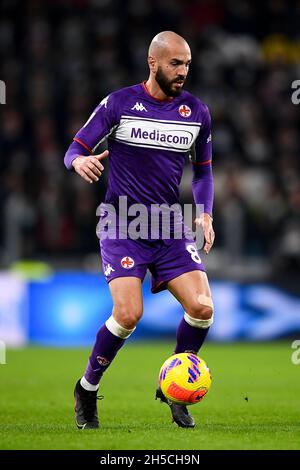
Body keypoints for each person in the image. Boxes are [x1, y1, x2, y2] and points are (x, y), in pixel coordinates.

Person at [64, 31, 215, 429]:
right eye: (175, 64)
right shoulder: (118, 104)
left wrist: (205, 214)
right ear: (153, 63)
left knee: (202, 309)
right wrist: (78, 163)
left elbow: (203, 171)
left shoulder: (196, 112)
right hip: (122, 223)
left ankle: (174, 390)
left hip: (168, 225)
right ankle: (87, 388)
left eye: (187, 64)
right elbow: (74, 148)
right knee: (128, 314)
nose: (183, 71)